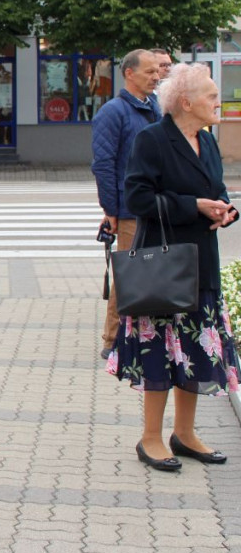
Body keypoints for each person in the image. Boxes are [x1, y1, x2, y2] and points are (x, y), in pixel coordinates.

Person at [109, 63, 239, 471]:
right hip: (164, 265)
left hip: (202, 261)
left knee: (196, 348)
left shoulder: (208, 140)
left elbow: (216, 188)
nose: (218, 102)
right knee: (161, 352)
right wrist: (193, 206)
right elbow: (138, 198)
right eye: (211, 96)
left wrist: (225, 210)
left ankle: (184, 434)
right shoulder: (153, 139)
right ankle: (150, 438)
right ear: (186, 102)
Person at [91, 49, 160, 358]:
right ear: (129, 74)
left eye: (157, 71)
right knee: (128, 273)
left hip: (157, 204)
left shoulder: (155, 107)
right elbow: (103, 164)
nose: (156, 77)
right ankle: (113, 339)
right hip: (130, 208)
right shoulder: (113, 111)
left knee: (153, 271)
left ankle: (145, 334)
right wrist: (111, 211)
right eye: (149, 72)